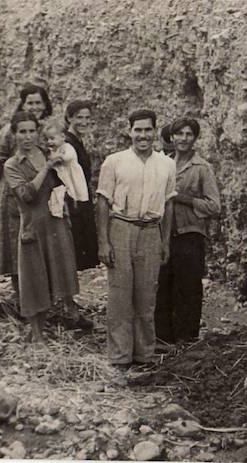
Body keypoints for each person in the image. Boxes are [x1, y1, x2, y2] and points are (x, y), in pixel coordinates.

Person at [96, 109, 177, 369]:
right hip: (121, 227)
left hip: (152, 231)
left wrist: (165, 241)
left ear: (155, 131)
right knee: (120, 294)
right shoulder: (115, 162)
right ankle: (119, 356)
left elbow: (169, 204)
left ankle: (144, 354)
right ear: (129, 131)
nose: (142, 135)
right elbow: (102, 202)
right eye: (137, 130)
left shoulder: (167, 164)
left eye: (147, 130)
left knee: (146, 295)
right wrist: (103, 242)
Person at [3, 111, 82, 342]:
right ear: (14, 134)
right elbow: (26, 194)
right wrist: (47, 168)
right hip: (33, 228)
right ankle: (36, 335)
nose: (28, 136)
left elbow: (63, 180)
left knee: (57, 275)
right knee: (34, 280)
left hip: (54, 223)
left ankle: (59, 320)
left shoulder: (47, 152)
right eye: (22, 132)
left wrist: (66, 201)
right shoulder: (12, 165)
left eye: (31, 131)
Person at [155, 118, 222, 344]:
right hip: (164, 233)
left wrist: (184, 199)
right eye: (179, 134)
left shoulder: (202, 168)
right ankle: (163, 340)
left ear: (195, 138)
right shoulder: (163, 163)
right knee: (163, 286)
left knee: (188, 287)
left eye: (189, 134)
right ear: (171, 137)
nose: (184, 138)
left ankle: (187, 339)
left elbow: (214, 206)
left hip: (190, 234)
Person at [0, 84, 53, 303]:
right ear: (22, 104)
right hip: (15, 194)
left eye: (38, 102)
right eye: (30, 103)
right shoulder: (11, 130)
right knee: (17, 245)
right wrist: (10, 182)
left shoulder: (46, 128)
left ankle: (43, 297)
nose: (35, 107)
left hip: (40, 192)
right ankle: (21, 298)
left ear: (45, 105)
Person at [63, 100, 100, 271]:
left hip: (82, 197)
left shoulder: (77, 141)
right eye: (79, 117)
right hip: (74, 201)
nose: (84, 122)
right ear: (69, 118)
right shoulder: (67, 143)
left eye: (87, 117)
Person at [41, 118, 89, 219]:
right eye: (47, 139)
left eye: (52, 138)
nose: (50, 142)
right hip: (63, 177)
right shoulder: (53, 150)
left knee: (75, 191)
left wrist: (55, 158)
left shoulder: (67, 147)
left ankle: (76, 205)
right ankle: (64, 209)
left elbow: (67, 158)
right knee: (64, 193)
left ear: (62, 137)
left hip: (72, 174)